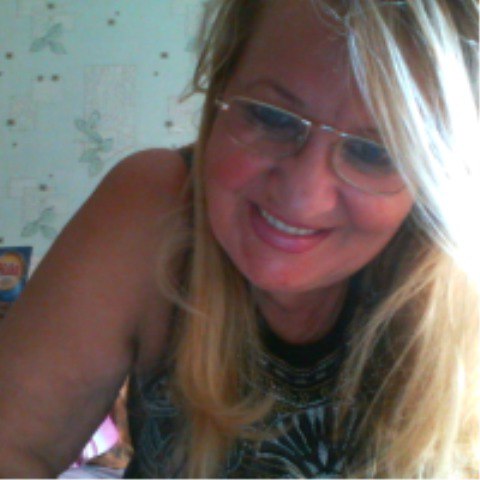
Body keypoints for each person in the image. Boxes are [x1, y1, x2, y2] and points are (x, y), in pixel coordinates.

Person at [0, 0, 478, 477]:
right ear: (219, 92)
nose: (304, 196)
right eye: (272, 118)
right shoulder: (156, 206)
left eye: (375, 153)